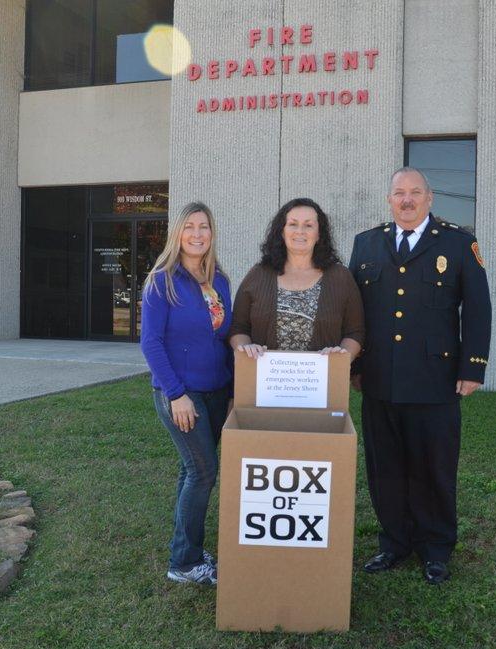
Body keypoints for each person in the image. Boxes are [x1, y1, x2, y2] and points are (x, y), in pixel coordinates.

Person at [348, 167, 492, 585]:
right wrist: (356, 367)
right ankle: (393, 542)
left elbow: (478, 308)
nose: (406, 200)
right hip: (380, 379)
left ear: (430, 198)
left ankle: (436, 547)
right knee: (385, 467)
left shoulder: (458, 243)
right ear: (389, 199)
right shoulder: (367, 243)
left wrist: (473, 366)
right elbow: (356, 312)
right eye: (399, 193)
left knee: (434, 466)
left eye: (414, 193)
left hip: (436, 378)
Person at [141, 201, 232, 586]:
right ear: (177, 233)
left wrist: (231, 393)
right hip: (182, 395)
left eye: (204, 227)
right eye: (190, 226)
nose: (197, 234)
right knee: (203, 471)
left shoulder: (220, 280)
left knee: (191, 469)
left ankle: (185, 548)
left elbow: (225, 339)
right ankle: (185, 563)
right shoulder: (161, 281)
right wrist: (177, 395)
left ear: (212, 233)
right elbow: (151, 343)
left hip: (216, 393)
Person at [229, 197, 364, 359]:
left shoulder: (341, 277)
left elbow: (355, 332)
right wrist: (246, 348)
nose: (300, 231)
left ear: (319, 234)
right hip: (267, 381)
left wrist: (340, 358)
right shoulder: (258, 275)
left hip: (322, 381)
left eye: (308, 225)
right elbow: (238, 328)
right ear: (282, 231)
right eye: (293, 224)